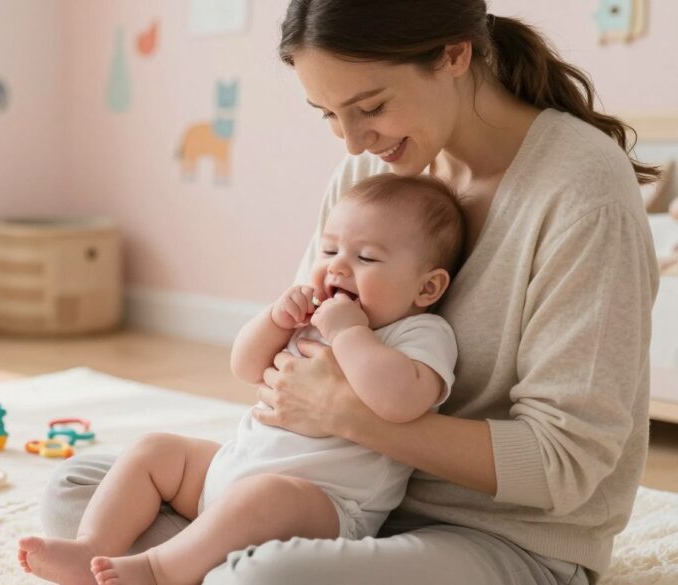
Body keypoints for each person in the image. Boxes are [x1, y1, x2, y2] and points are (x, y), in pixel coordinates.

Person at [40, 1, 661, 583]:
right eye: (329, 115)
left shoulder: (581, 192)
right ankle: (203, 560)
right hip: (327, 488)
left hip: (496, 535)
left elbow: (566, 466)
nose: (353, 141)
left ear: (453, 54)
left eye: (370, 107)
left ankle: (209, 562)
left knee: (263, 576)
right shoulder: (372, 172)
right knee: (80, 491)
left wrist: (347, 415)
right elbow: (294, 359)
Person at [18, 173, 465, 585]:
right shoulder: (312, 316)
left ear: (426, 288)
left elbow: (399, 402)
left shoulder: (418, 333)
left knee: (266, 497)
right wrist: (275, 319)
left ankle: (158, 569)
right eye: (328, 251)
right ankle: (93, 548)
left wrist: (349, 333)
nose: (337, 269)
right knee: (155, 449)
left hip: (324, 506)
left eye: (366, 257)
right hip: (230, 470)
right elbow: (246, 367)